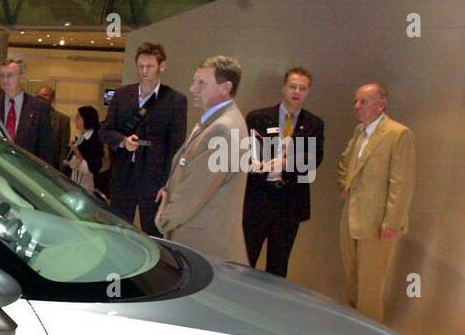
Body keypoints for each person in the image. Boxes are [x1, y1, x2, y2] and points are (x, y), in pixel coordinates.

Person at [155, 55, 248, 263]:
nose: (193, 88)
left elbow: (195, 191)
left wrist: (164, 219)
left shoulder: (223, 129)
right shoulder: (214, 122)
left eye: (202, 83)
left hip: (203, 245)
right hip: (197, 239)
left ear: (225, 88)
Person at [336, 82, 414, 322]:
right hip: (351, 217)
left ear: (382, 104)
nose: (357, 107)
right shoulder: (360, 132)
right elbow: (345, 163)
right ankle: (354, 332)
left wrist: (392, 222)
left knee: (370, 285)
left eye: (363, 101)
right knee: (351, 279)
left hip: (378, 222)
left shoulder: (398, 133)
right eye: (356, 102)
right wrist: (345, 185)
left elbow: (402, 181)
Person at [243, 67, 325, 277]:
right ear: (283, 88)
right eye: (293, 86)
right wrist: (253, 162)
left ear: (308, 92)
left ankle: (271, 308)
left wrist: (286, 163)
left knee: (278, 265)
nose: (297, 92)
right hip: (258, 198)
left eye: (302, 88)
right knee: (245, 258)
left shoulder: (313, 124)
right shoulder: (258, 117)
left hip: (289, 202)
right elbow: (242, 151)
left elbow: (314, 158)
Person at [100, 41, 186, 236]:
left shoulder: (175, 100)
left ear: (161, 67)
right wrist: (122, 141)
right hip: (123, 175)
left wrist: (168, 183)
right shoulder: (122, 95)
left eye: (149, 66)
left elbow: (176, 146)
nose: (144, 71)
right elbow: (106, 130)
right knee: (118, 230)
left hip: (154, 178)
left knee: (154, 231)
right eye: (140, 66)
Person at [0, 59, 55, 163]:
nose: (5, 80)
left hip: (27, 171)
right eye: (2, 76)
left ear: (22, 78)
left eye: (10, 75)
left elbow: (45, 150)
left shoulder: (39, 108)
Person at [67, 105, 104, 193]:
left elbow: (93, 167)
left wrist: (76, 151)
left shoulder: (95, 140)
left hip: (87, 184)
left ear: (87, 120)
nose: (75, 120)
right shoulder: (80, 137)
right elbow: (73, 164)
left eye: (78, 118)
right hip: (75, 179)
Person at [34, 84, 72, 171]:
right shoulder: (27, 116)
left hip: (52, 166)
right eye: (38, 95)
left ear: (52, 99)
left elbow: (63, 148)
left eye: (44, 95)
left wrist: (60, 169)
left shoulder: (63, 120)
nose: (41, 98)